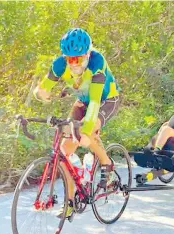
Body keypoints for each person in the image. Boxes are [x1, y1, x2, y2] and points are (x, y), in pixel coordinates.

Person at [33, 28, 120, 220]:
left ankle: (107, 164)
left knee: (87, 134)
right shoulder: (59, 64)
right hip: (82, 101)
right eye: (70, 59)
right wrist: (41, 93)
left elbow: (95, 103)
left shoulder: (97, 62)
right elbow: (42, 88)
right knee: (63, 152)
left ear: (88, 54)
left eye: (79, 58)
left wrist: (85, 130)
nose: (74, 64)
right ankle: (70, 202)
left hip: (106, 100)